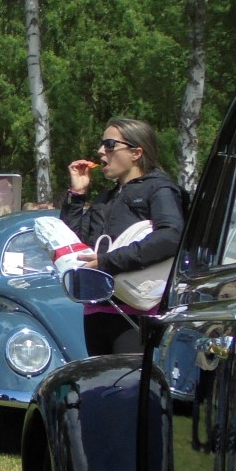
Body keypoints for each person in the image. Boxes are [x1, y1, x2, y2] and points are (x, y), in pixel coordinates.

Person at [62, 118, 184, 355]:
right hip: (97, 309)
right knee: (101, 387)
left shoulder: (158, 188)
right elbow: (75, 242)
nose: (100, 152)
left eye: (109, 145)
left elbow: (172, 236)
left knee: (129, 388)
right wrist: (77, 194)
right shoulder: (107, 197)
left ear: (136, 152)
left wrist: (109, 261)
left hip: (137, 313)